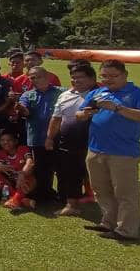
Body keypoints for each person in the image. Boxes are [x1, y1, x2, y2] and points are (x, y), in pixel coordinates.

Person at [77, 59, 140, 241]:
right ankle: (108, 222)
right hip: (96, 149)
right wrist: (86, 113)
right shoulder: (97, 92)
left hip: (123, 152)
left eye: (113, 76)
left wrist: (118, 108)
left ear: (125, 75)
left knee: (125, 193)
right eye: (104, 76)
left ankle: (126, 230)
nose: (108, 79)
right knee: (101, 190)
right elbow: (79, 114)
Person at [48, 63, 97, 216]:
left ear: (92, 79)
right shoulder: (65, 95)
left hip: (95, 143)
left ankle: (108, 208)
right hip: (68, 142)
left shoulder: (100, 95)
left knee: (96, 175)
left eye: (80, 77)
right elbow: (56, 118)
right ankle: (71, 204)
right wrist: (50, 138)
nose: (76, 80)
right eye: (73, 78)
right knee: (70, 173)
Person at [15, 66, 61, 204]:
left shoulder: (61, 92)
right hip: (37, 137)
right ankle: (43, 195)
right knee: (41, 168)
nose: (35, 80)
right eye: (32, 78)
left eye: (38, 77)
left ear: (47, 77)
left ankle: (63, 196)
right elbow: (26, 112)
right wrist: (21, 108)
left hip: (58, 137)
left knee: (61, 167)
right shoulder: (27, 95)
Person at [0, 131, 35, 211]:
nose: (5, 142)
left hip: (27, 181)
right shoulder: (1, 153)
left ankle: (15, 200)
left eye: (9, 140)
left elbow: (30, 162)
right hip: (12, 182)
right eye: (2, 140)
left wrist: (22, 173)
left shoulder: (22, 149)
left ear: (16, 141)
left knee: (27, 178)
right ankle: (22, 200)